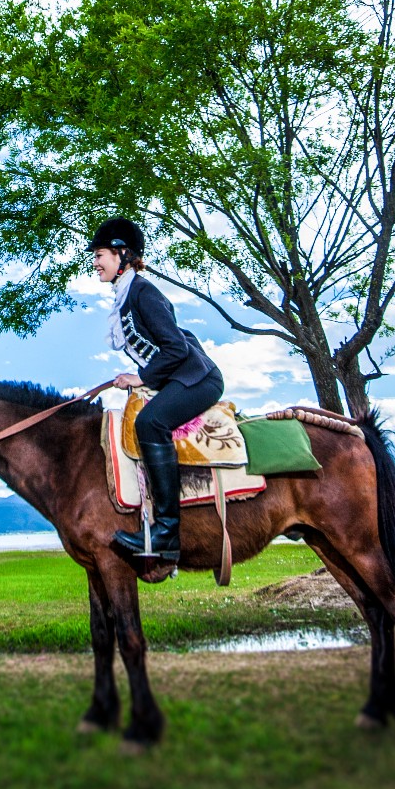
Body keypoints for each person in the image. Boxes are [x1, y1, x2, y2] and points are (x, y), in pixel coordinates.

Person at [90, 217, 223, 577]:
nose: (95, 263)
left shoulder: (143, 293)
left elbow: (176, 348)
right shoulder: (127, 295)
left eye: (100, 255)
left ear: (122, 254)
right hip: (177, 377)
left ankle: (166, 532)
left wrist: (141, 377)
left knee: (150, 423)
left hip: (198, 377)